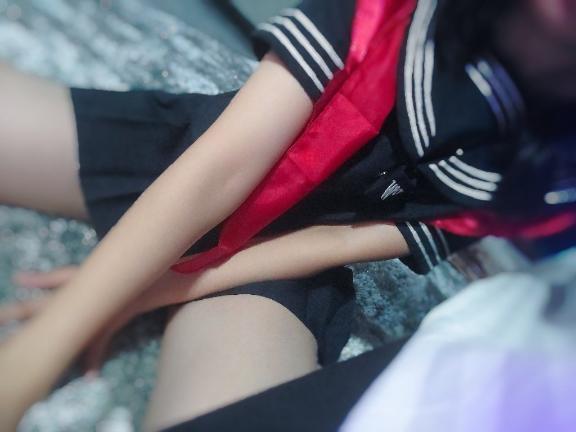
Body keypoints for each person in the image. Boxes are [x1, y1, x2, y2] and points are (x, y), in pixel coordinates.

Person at [0, 0, 575, 430]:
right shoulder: (391, 13)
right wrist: (44, 347)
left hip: (276, 267)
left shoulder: (556, 184)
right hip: (184, 153)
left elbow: (335, 243)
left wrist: (143, 292)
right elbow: (221, 167)